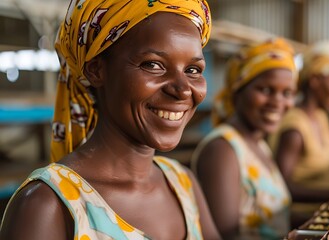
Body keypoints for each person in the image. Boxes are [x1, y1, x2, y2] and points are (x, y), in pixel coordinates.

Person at [0, 1, 221, 240]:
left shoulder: (183, 184)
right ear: (96, 70)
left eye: (193, 70)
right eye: (153, 65)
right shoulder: (47, 205)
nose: (183, 90)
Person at [191, 38, 297, 239]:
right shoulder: (222, 150)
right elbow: (226, 236)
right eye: (265, 90)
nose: (277, 102)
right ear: (237, 93)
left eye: (287, 93)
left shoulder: (259, 143)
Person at [268, 40, 329, 228]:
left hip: (326, 211)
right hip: (303, 221)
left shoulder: (321, 116)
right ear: (315, 81)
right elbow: (283, 186)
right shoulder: (294, 128)